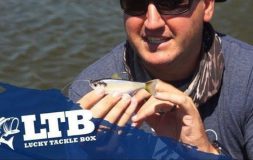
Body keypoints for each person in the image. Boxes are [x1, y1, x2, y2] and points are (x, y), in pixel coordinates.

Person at [68, 0, 253, 159]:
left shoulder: (248, 77)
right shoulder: (87, 96)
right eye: (135, 3)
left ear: (206, 6)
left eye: (171, 3)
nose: (152, 23)